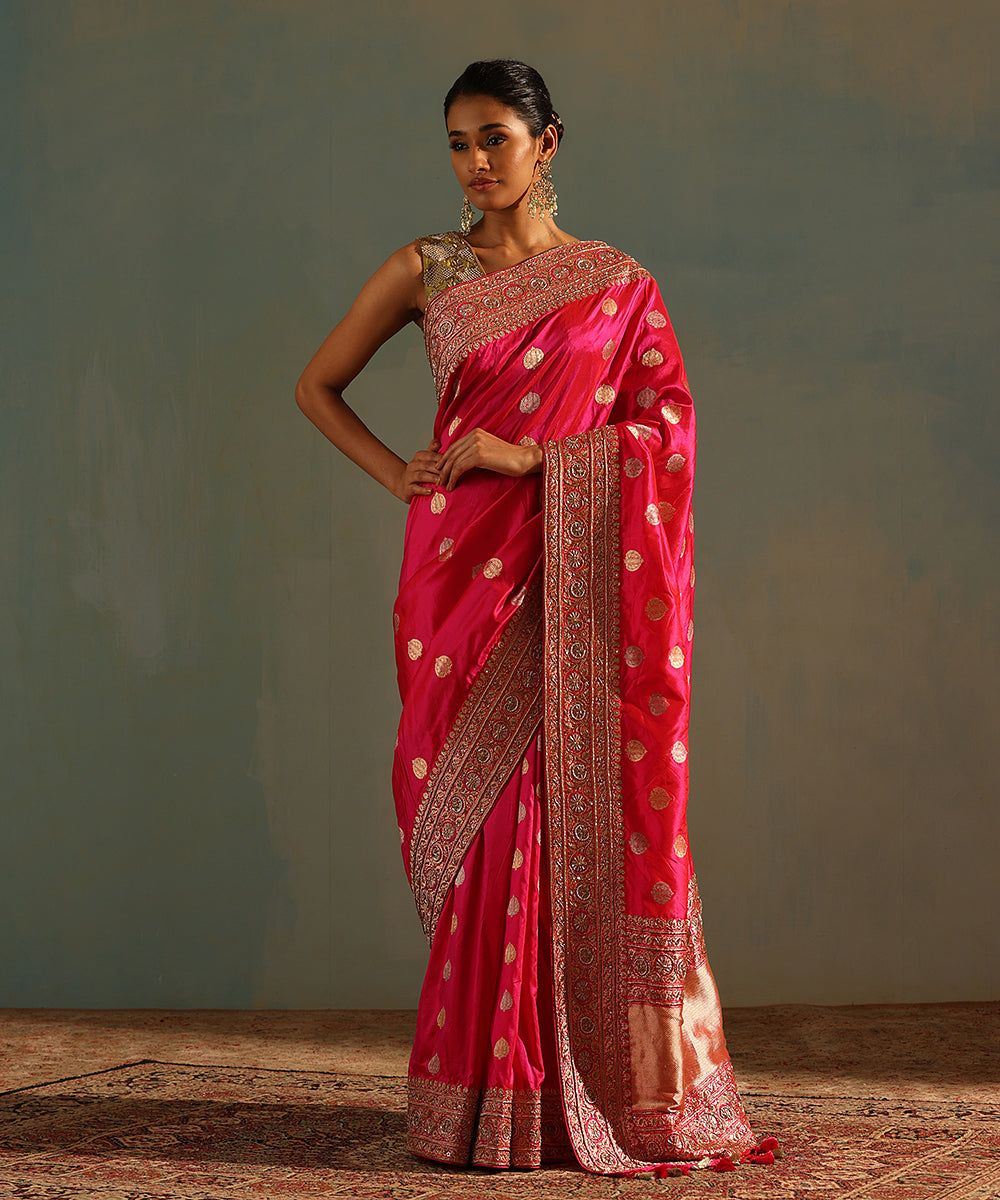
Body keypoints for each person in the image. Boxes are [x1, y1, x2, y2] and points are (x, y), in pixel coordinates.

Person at [296, 59, 776, 1177]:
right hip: (457, 573)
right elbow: (317, 384)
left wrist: (532, 458)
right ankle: (482, 1099)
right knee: (477, 829)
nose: (473, 162)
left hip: (570, 572)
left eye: (494, 138)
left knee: (560, 812)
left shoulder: (616, 283)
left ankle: (572, 1095)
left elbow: (667, 429)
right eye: (457, 142)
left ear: (547, 143)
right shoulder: (424, 268)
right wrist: (401, 475)